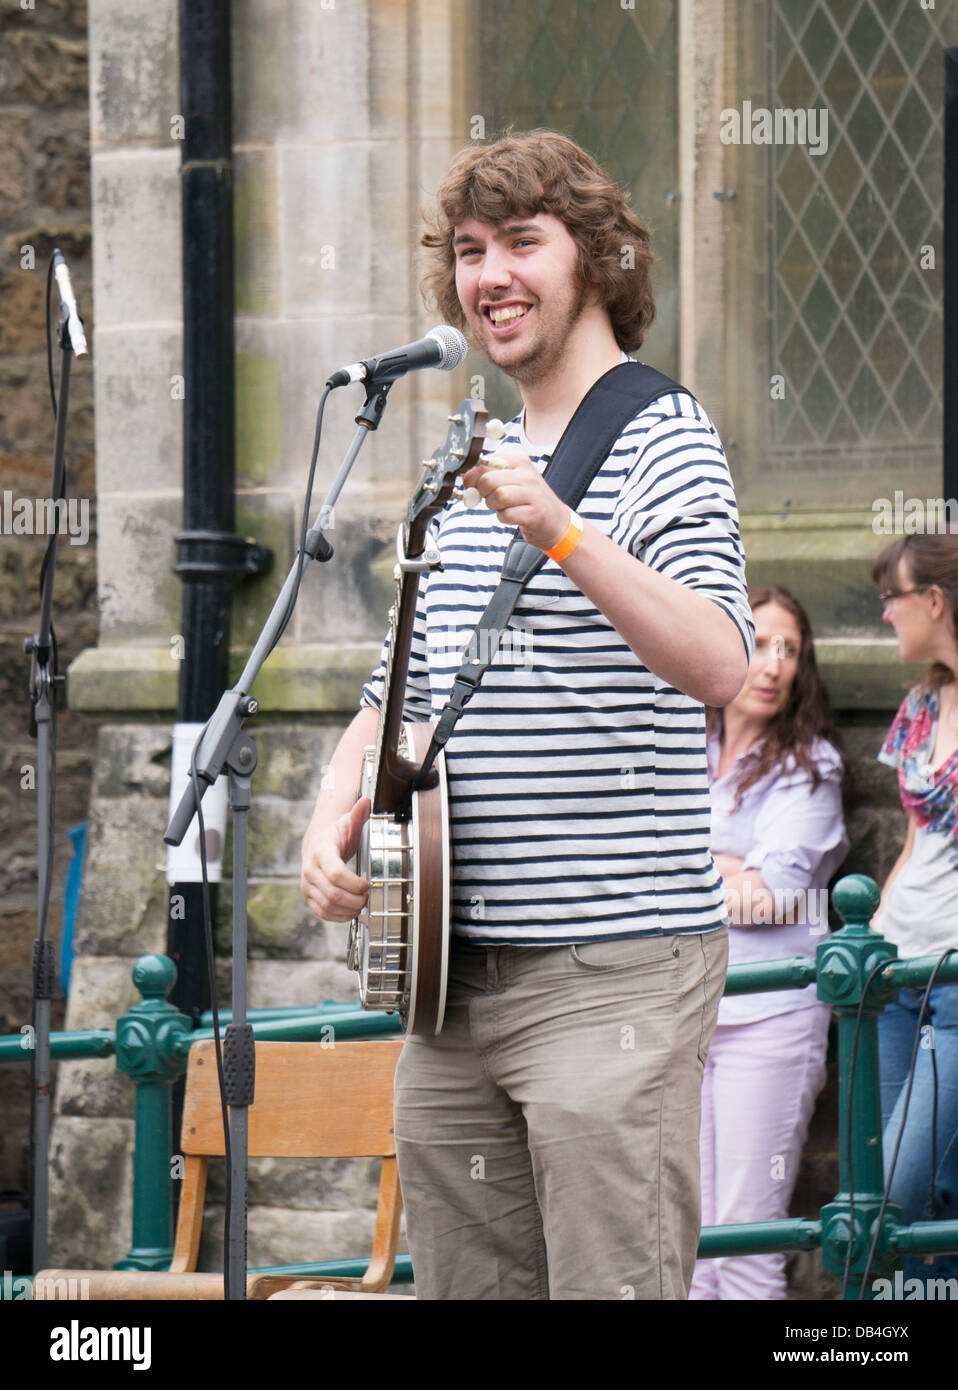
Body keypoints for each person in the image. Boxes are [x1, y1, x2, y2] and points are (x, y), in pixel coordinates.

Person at [300, 129, 753, 1300]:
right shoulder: (465, 458)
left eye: (521, 242)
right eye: (466, 250)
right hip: (448, 986)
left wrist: (562, 531)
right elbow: (391, 689)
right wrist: (329, 807)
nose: (487, 273)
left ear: (595, 259)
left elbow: (718, 660)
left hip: (611, 971)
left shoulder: (663, 433)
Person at [689, 585, 849, 1300]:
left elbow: (768, 895)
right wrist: (729, 860)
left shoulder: (810, 766)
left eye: (790, 649)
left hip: (770, 1020)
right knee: (686, 1239)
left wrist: (686, 862)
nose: (774, 664)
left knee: (745, 1239)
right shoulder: (683, 748)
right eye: (757, 643)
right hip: (687, 1016)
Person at [871, 532, 958, 1290]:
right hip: (899, 973)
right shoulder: (923, 703)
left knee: (901, 1181)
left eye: (893, 600)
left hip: (957, 985)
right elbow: (912, 842)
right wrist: (871, 940)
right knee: (900, 1196)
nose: (887, 616)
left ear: (933, 601)